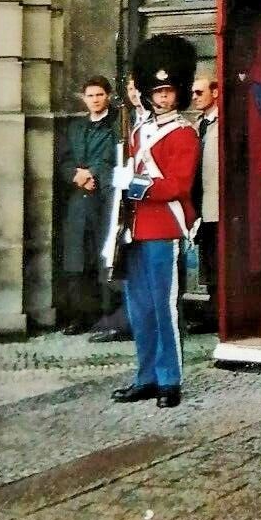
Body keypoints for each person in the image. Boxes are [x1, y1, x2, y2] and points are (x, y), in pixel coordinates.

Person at [110, 36, 199, 410]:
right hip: (134, 228)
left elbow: (177, 184)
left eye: (169, 92)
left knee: (164, 308)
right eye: (158, 92)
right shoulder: (136, 131)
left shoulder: (184, 133)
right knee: (140, 308)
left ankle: (169, 380)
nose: (164, 98)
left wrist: (134, 184)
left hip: (164, 227)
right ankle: (145, 377)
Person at [56, 75, 117, 334]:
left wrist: (93, 174)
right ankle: (81, 315)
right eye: (90, 96)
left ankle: (108, 316)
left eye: (100, 95)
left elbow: (116, 157)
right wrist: (76, 176)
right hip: (79, 200)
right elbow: (64, 159)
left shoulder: (116, 126)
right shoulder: (75, 128)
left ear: (108, 96)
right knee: (76, 257)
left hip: (105, 199)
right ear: (84, 99)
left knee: (104, 256)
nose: (95, 100)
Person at [87, 76, 146, 343]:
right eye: (130, 89)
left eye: (138, 89)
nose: (134, 94)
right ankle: (122, 318)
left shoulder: (147, 119)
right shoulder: (127, 118)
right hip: (118, 193)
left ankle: (133, 319)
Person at [188, 74, 219, 324]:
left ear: (215, 92)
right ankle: (211, 307)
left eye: (199, 92)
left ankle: (218, 310)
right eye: (193, 93)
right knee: (207, 256)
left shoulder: (221, 123)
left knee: (218, 257)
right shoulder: (198, 124)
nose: (194, 97)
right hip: (201, 200)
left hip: (217, 201)